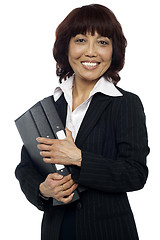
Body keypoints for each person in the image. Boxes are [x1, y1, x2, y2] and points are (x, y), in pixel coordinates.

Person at [15, 4, 150, 240]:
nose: (91, 52)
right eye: (80, 40)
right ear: (66, 47)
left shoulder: (125, 103)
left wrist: (79, 158)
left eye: (102, 42)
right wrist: (42, 190)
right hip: (56, 231)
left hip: (108, 232)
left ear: (113, 50)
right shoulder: (49, 106)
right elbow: (25, 168)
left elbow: (135, 173)